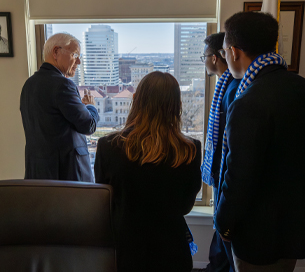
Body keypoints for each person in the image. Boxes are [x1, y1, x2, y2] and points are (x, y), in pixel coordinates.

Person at [215, 11, 305, 272]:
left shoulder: (247, 102)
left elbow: (239, 176)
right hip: (296, 227)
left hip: (257, 235)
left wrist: (224, 224)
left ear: (235, 51)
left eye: (224, 51)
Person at [94, 71, 202, 272]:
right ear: (176, 106)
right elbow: (185, 206)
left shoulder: (108, 146)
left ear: (135, 101)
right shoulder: (190, 149)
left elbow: (105, 203)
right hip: (172, 251)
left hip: (125, 251)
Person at [20, 33, 99, 182]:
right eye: (75, 54)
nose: (79, 61)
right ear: (56, 52)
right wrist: (90, 107)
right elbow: (89, 125)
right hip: (66, 176)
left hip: (37, 173)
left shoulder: (29, 85)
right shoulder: (63, 85)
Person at [200, 32, 240, 272]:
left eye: (204, 56)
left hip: (226, 170)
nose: (203, 61)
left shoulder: (232, 88)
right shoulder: (226, 84)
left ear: (215, 58)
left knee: (224, 229)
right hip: (221, 168)